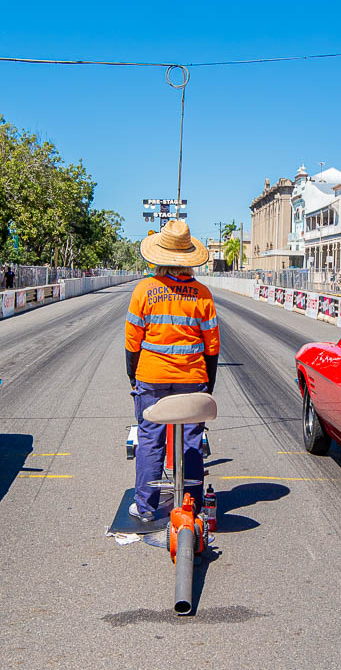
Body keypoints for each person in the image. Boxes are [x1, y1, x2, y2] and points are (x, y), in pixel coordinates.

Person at [124, 220, 221, 522]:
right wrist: (208, 384)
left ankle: (146, 507)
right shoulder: (202, 294)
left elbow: (132, 342)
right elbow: (212, 346)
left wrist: (134, 376)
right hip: (193, 380)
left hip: (151, 379)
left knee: (150, 439)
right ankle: (194, 506)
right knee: (191, 440)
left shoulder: (144, 290)